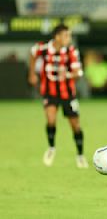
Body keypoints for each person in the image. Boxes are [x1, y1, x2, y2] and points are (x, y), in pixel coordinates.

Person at [28, 24, 88, 168]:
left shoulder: (71, 51)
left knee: (75, 125)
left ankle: (80, 155)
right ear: (57, 37)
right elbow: (32, 53)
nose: (69, 38)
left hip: (68, 94)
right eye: (66, 35)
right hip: (50, 92)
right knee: (51, 119)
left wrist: (67, 74)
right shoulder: (43, 48)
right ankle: (51, 148)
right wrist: (31, 73)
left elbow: (78, 73)